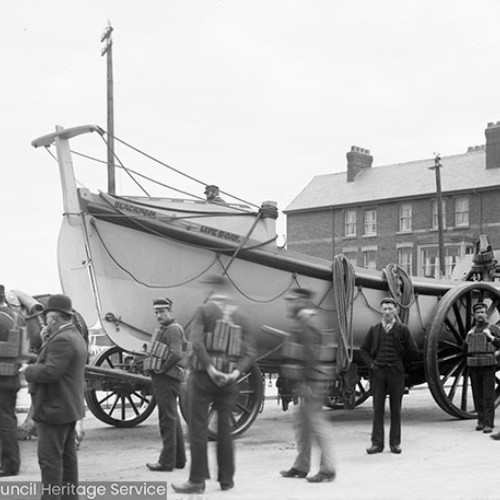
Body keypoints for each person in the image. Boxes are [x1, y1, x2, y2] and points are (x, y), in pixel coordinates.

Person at [172, 275, 255, 494]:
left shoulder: (205, 310)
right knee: (225, 430)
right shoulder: (241, 316)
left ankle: (197, 481)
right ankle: (226, 480)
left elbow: (196, 342)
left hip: (204, 377)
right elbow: (249, 352)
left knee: (198, 428)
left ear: (213, 289)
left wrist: (210, 368)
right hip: (229, 379)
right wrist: (235, 373)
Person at [23, 294, 87, 500]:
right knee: (68, 461)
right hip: (67, 408)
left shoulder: (62, 340)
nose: (44, 320)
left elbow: (51, 372)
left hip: (54, 409)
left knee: (50, 462)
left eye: (47, 316)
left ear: (53, 317)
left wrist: (27, 370)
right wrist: (45, 339)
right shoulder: (71, 335)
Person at [279, 287, 336, 483]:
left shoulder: (308, 324)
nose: (289, 305)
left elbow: (311, 355)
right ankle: (301, 466)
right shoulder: (304, 322)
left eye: (292, 301)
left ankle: (328, 469)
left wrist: (308, 383)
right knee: (302, 424)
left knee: (316, 424)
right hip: (307, 382)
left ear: (302, 302)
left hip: (312, 382)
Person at [360, 297, 417, 454]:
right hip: (378, 373)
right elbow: (363, 350)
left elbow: (412, 351)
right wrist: (371, 365)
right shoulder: (374, 330)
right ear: (381, 311)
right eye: (384, 309)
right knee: (377, 408)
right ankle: (377, 444)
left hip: (395, 373)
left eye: (390, 309)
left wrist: (401, 365)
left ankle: (395, 444)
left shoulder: (403, 329)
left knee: (395, 409)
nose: (387, 312)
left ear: (395, 310)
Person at [145, 297, 187, 471]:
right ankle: (179, 459)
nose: (158, 315)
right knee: (172, 418)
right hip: (166, 380)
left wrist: (162, 369)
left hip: (166, 380)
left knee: (166, 421)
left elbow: (176, 354)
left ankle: (166, 462)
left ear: (170, 311)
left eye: (162, 311)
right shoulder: (167, 329)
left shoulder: (172, 329)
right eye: (156, 312)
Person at [465, 302, 500, 435]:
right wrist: (467, 339)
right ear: (474, 315)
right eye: (478, 313)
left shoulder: (493, 328)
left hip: (488, 366)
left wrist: (490, 337)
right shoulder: (471, 331)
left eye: (483, 312)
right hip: (474, 365)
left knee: (488, 395)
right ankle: (480, 420)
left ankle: (488, 423)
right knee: (477, 394)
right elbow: (465, 350)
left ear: (486, 314)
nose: (481, 315)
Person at [0, 285, 21, 477]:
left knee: (4, 422)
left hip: (1, 377)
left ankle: (10, 465)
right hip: (12, 375)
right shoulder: (14, 315)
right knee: (8, 419)